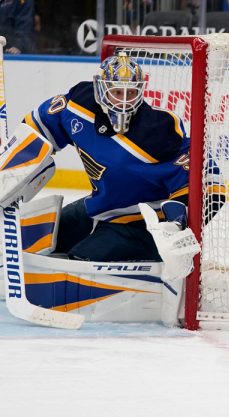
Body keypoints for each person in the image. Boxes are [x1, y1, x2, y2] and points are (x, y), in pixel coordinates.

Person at [19, 53, 192, 263]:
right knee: (32, 238)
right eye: (117, 92)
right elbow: (36, 129)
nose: (125, 101)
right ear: (100, 88)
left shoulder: (159, 129)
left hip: (139, 223)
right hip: (99, 208)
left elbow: (197, 182)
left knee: (74, 263)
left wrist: (176, 223)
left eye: (131, 93)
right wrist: (13, 161)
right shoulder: (78, 105)